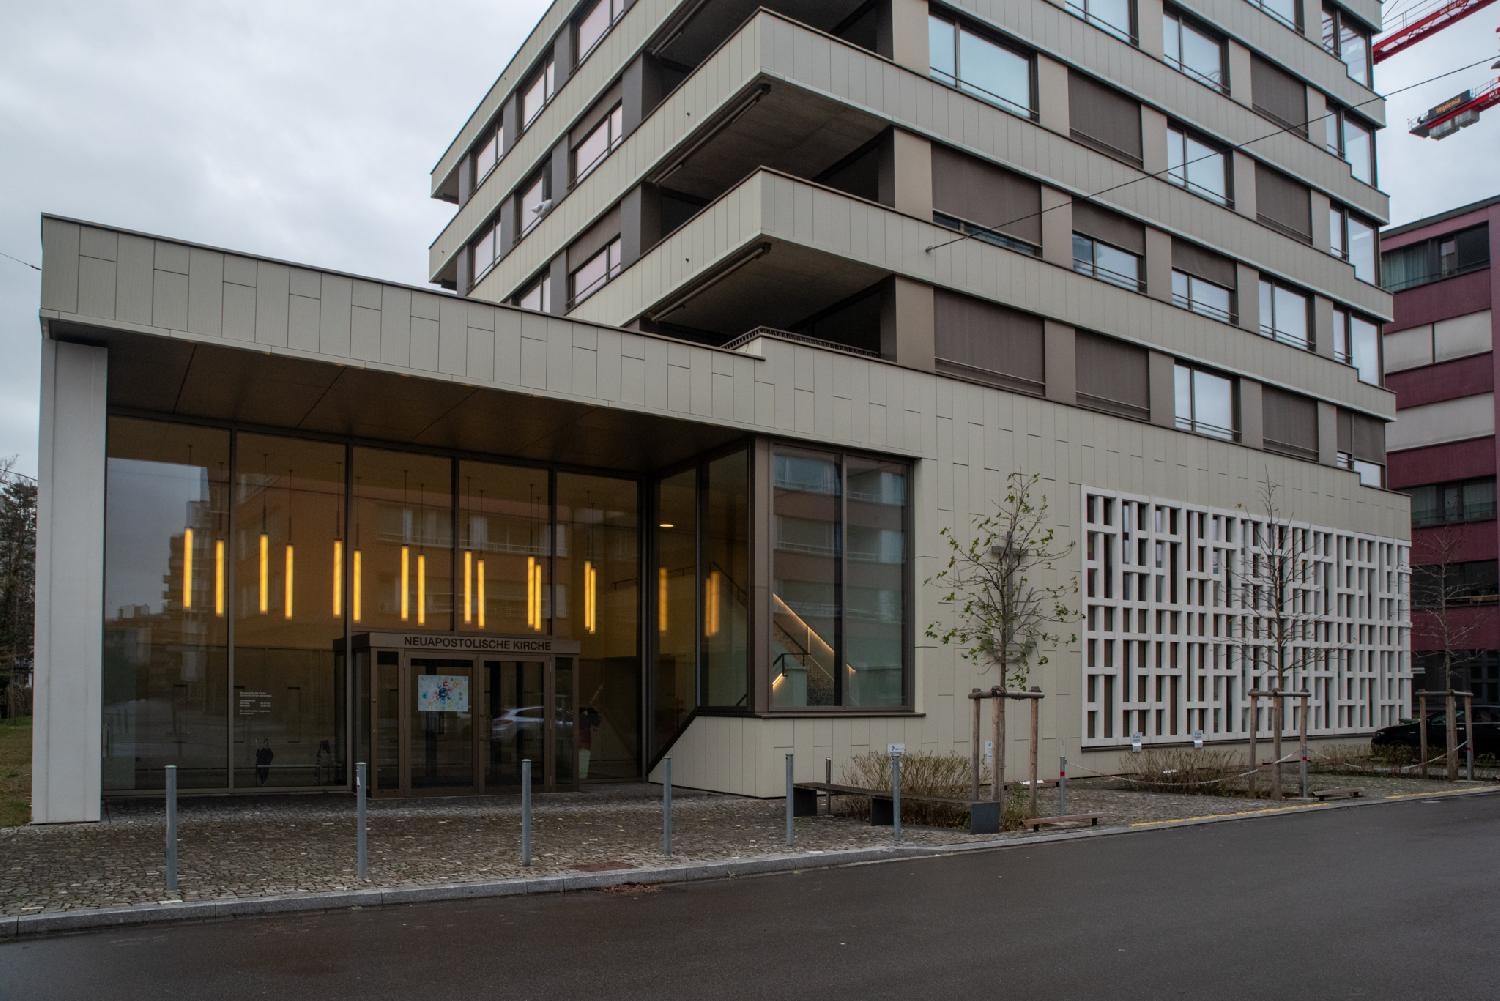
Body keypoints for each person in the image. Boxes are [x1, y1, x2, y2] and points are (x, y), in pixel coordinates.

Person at [578, 705, 602, 780]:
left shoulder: (582, 717)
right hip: (584, 738)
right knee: (584, 756)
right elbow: (596, 724)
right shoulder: (585, 717)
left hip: (582, 738)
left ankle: (581, 774)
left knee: (582, 756)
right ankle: (582, 774)